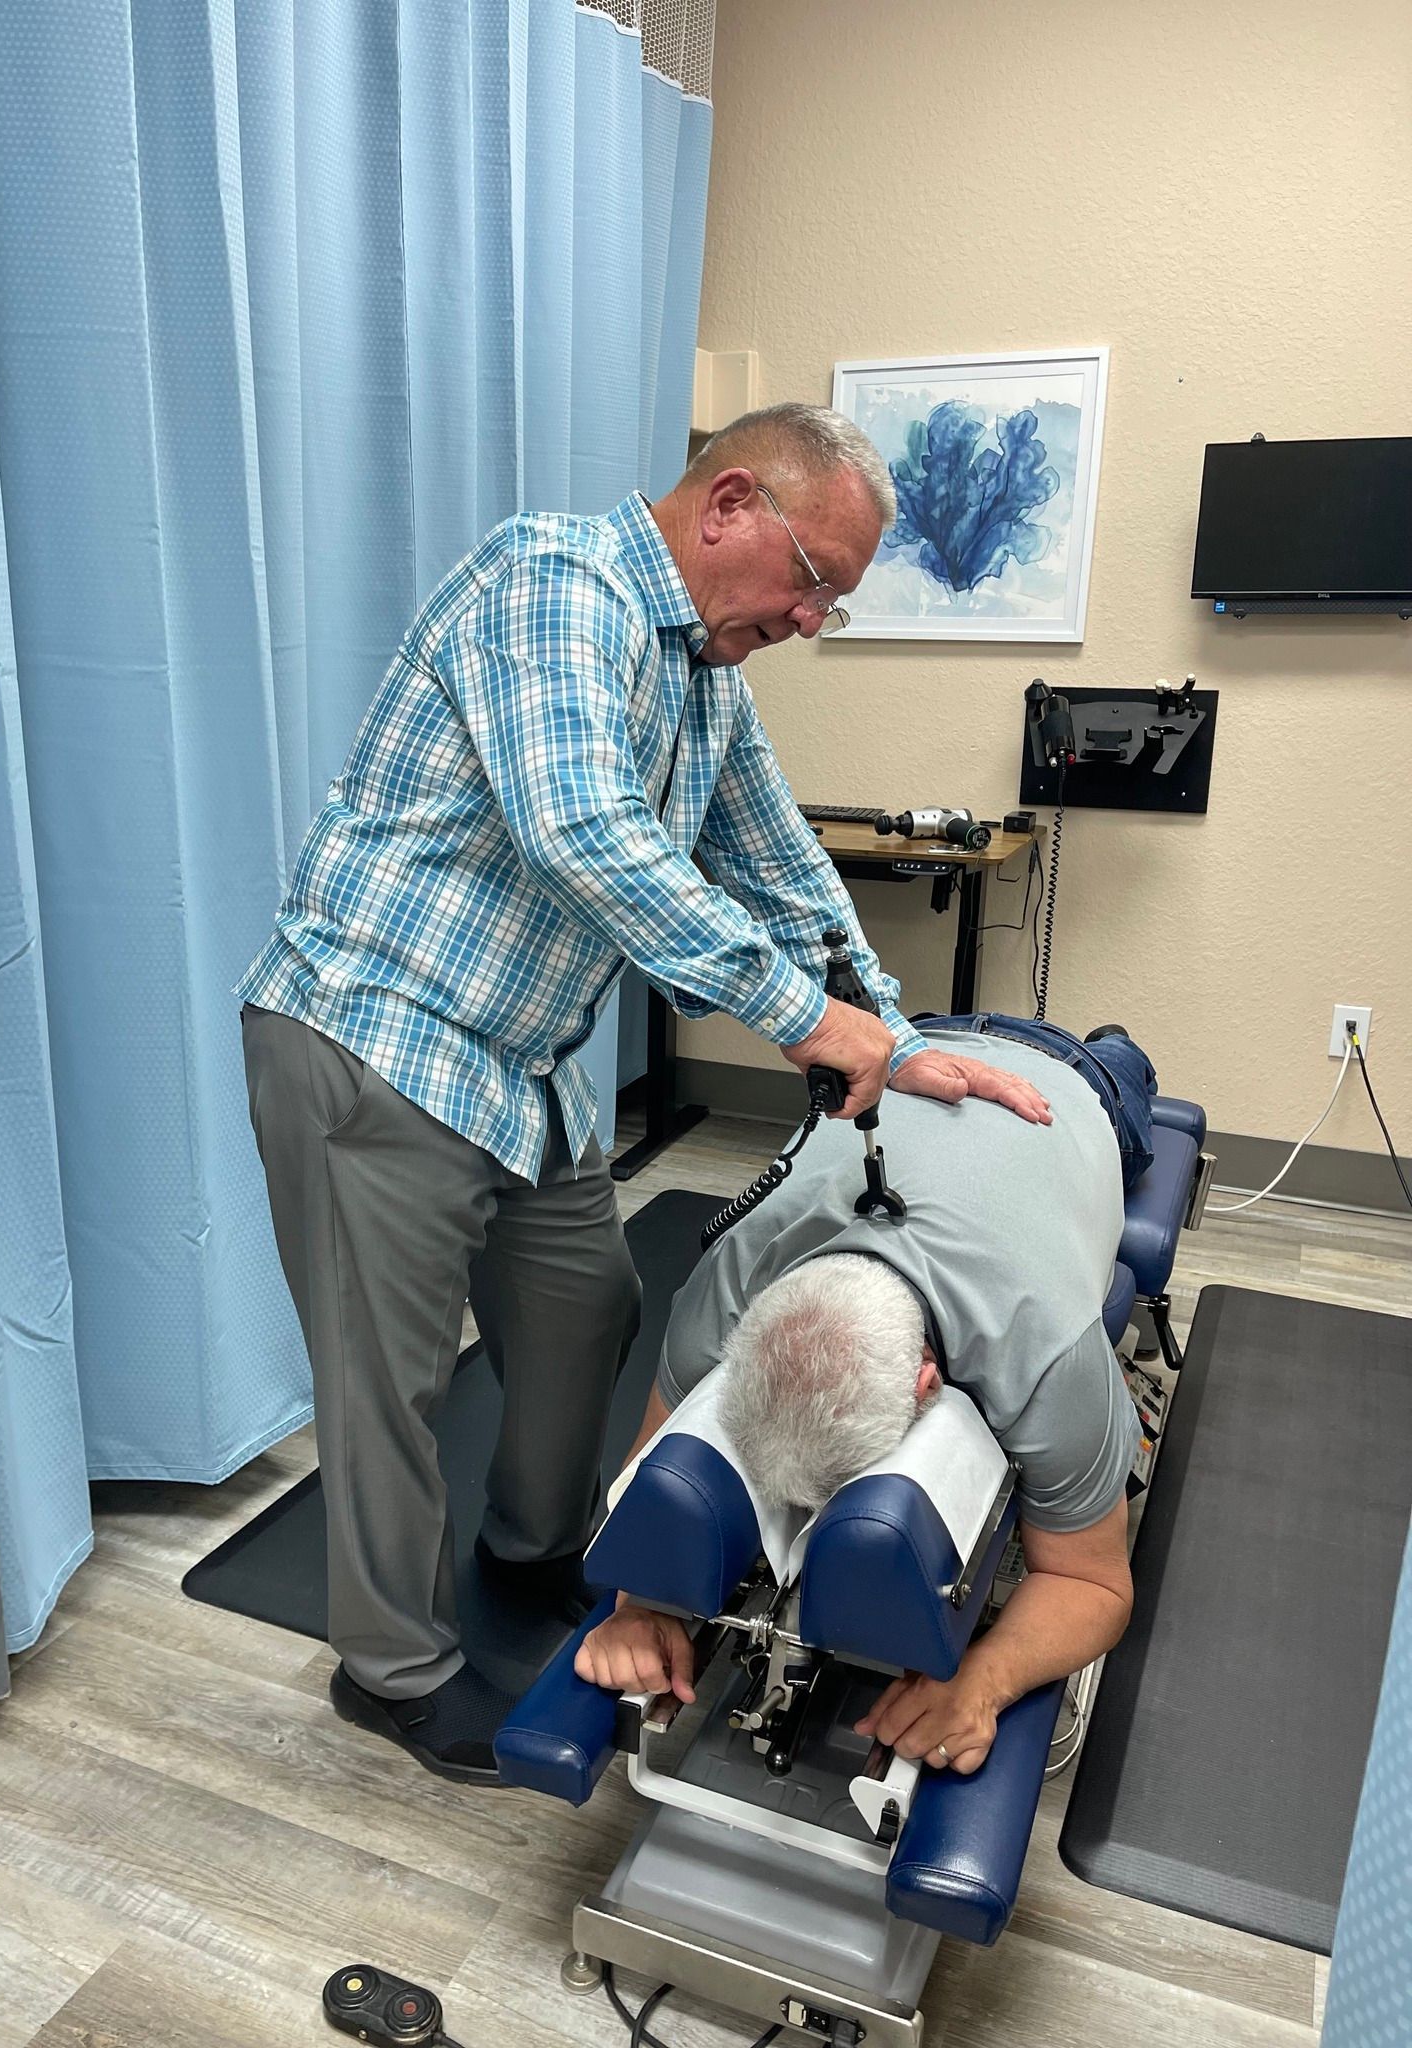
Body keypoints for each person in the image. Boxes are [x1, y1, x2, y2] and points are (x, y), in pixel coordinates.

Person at [237, 404, 1050, 1786]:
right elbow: (583, 832)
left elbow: (781, 862)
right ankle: (393, 1672)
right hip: (377, 1034)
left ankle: (532, 1555)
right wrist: (803, 1017)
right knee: (388, 1385)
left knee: (589, 1310)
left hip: (519, 1065)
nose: (808, 620)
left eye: (833, 605)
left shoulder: (705, 677)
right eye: (812, 580)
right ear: (729, 503)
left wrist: (893, 1034)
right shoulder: (553, 580)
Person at [576, 1019, 1156, 1777]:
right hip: (913, 1039)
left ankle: (1117, 1044)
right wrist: (640, 1604)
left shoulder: (1047, 1350)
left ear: (926, 1382)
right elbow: (647, 1468)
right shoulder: (733, 1276)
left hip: (1068, 1080)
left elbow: (1093, 1581)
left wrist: (986, 1679)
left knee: (1124, 1059)